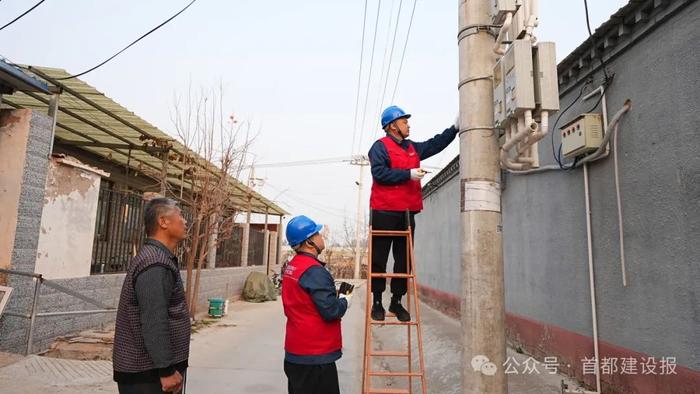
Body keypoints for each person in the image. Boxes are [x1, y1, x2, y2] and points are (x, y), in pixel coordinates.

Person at [368, 105, 459, 322]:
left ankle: (396, 302)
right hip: (383, 210)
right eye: (404, 121)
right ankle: (377, 301)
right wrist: (408, 174)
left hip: (407, 212)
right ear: (392, 126)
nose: (408, 124)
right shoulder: (379, 147)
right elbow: (380, 174)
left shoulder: (412, 148)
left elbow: (434, 144)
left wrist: (455, 128)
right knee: (379, 258)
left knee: (404, 260)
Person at [113, 198, 190, 394]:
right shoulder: (155, 264)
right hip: (149, 376)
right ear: (163, 222)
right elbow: (154, 320)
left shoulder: (158, 258)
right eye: (180, 215)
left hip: (152, 372)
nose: (185, 221)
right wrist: (166, 370)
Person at [282, 215, 352, 394]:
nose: (322, 237)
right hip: (314, 358)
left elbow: (307, 301)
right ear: (309, 242)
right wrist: (344, 301)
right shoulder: (314, 271)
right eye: (318, 234)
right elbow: (331, 311)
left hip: (296, 353)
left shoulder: (293, 266)